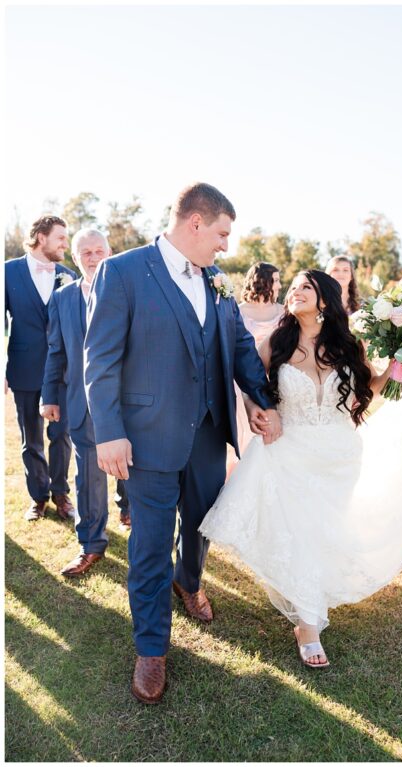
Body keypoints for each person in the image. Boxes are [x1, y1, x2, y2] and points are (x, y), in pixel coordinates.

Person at [84, 182, 281, 704]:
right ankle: (151, 646)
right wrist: (109, 432)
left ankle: (189, 581)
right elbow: (100, 360)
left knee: (202, 522)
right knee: (149, 544)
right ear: (195, 222)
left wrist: (259, 399)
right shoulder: (122, 272)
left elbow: (239, 345)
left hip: (209, 433)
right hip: (145, 441)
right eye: (221, 233)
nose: (225, 246)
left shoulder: (217, 280)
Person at [200, 270, 402, 668]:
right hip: (288, 450)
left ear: (325, 300)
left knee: (322, 534)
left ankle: (308, 610)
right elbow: (248, 383)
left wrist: (398, 368)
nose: (295, 292)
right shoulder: (277, 342)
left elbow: (368, 391)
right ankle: (309, 624)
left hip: (339, 455)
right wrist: (257, 412)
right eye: (294, 288)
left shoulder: (348, 344)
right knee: (302, 533)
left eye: (306, 287)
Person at [42, 229, 131, 576]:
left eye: (98, 251)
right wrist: (50, 395)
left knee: (134, 469)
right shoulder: (63, 299)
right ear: (75, 259)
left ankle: (134, 519)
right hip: (81, 402)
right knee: (88, 478)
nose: (93, 258)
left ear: (110, 253)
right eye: (85, 253)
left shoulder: (129, 292)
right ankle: (90, 545)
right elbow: (55, 351)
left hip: (129, 402)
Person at [5, 215, 77, 522]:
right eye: (61, 237)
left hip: (62, 372)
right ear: (41, 237)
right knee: (29, 438)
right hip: (23, 367)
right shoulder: (7, 272)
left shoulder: (68, 275)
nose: (65, 243)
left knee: (61, 436)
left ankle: (61, 494)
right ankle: (38, 497)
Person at [226, 262, 285, 476]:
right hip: (242, 382)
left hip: (275, 378)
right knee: (245, 435)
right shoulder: (239, 311)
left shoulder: (283, 312)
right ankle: (242, 476)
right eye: (276, 280)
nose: (279, 285)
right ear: (262, 281)